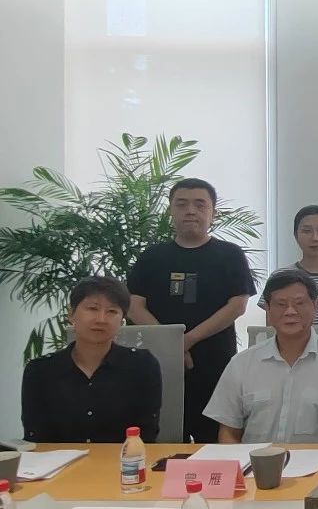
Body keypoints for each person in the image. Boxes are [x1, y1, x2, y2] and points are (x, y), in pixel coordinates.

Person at [127, 178, 256, 442]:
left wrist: (187, 340)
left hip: (215, 365)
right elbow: (133, 306)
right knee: (163, 443)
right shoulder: (151, 257)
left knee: (215, 443)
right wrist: (171, 343)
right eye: (181, 204)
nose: (190, 211)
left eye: (200, 204)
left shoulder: (230, 254)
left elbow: (237, 305)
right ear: (170, 211)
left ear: (213, 212)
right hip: (160, 364)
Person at [204, 270, 318, 443]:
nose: (290, 311)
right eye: (281, 304)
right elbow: (228, 432)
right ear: (268, 308)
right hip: (253, 459)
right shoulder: (241, 364)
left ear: (316, 305)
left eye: (299, 303)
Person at [22, 276, 161, 443]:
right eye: (92, 309)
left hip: (124, 459)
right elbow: (36, 438)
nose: (101, 319)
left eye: (112, 311)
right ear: (71, 314)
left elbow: (146, 435)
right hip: (57, 460)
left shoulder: (143, 366)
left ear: (122, 321)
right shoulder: (40, 371)